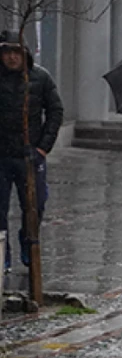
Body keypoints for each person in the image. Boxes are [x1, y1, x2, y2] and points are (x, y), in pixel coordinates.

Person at [0, 30, 63, 273]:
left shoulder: (40, 78)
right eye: (7, 53)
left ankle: (29, 242)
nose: (12, 58)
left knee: (35, 204)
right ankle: (3, 254)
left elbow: (55, 111)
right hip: (2, 156)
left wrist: (43, 147)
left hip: (30, 155)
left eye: (16, 52)